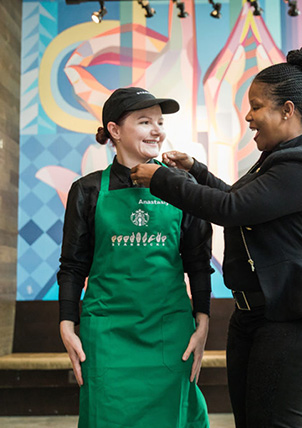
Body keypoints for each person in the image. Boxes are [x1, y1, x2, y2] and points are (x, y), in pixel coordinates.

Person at [131, 46, 302, 428]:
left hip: (294, 315)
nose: (249, 116)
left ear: (287, 110)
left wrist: (163, 180)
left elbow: (230, 209)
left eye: (256, 106)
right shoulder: (276, 158)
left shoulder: (301, 162)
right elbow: (239, 203)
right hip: (255, 313)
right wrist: (197, 171)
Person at [57, 87, 212, 428]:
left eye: (159, 121)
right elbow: (72, 265)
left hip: (168, 332)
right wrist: (67, 323)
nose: (158, 130)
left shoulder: (182, 185)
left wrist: (203, 320)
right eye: (145, 122)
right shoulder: (88, 190)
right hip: (108, 333)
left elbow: (198, 262)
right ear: (114, 130)